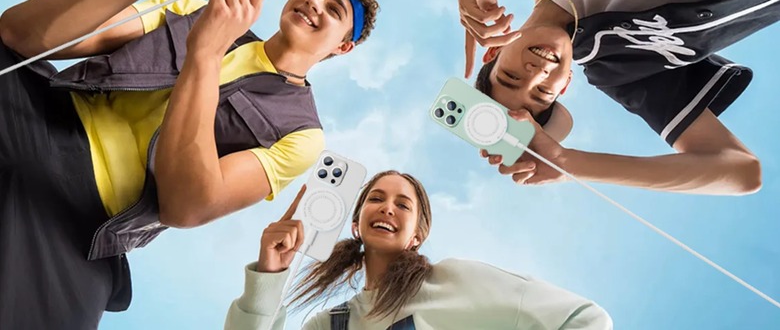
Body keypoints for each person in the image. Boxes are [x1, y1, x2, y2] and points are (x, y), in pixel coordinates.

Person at [0, 0, 378, 329]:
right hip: (43, 121)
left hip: (88, 222)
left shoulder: (303, 135)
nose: (314, 3)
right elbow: (24, 34)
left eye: (334, 8)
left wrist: (206, 54)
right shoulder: (202, 9)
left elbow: (186, 207)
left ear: (344, 45)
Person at [450, 0, 780, 194]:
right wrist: (567, 163)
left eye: (512, 76)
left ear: (493, 51)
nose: (536, 73)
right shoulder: (625, 69)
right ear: (564, 85)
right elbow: (741, 171)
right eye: (543, 92)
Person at [224, 171, 613, 329]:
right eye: (375, 198)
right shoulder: (331, 325)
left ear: (416, 236)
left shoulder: (456, 280)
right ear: (356, 224)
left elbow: (585, 319)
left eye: (403, 204)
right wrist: (269, 276)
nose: (387, 207)